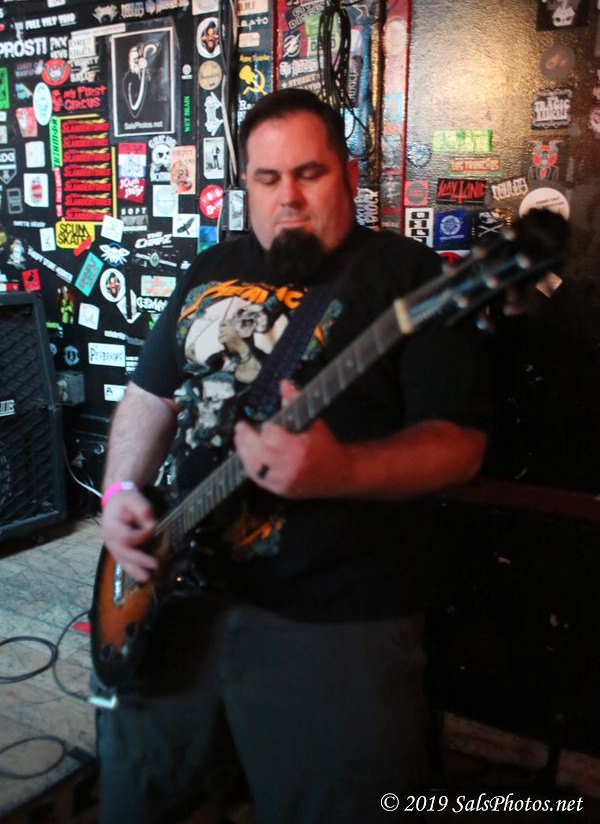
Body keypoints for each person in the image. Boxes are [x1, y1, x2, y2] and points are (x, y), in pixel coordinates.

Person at [96, 88, 492, 824]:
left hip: (335, 615)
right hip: (175, 593)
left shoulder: (410, 280)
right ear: (245, 184)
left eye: (309, 173)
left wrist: (345, 471)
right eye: (267, 178)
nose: (289, 198)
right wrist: (120, 495)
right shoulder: (208, 269)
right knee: (137, 793)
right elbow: (150, 397)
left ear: (347, 174)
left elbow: (459, 444)